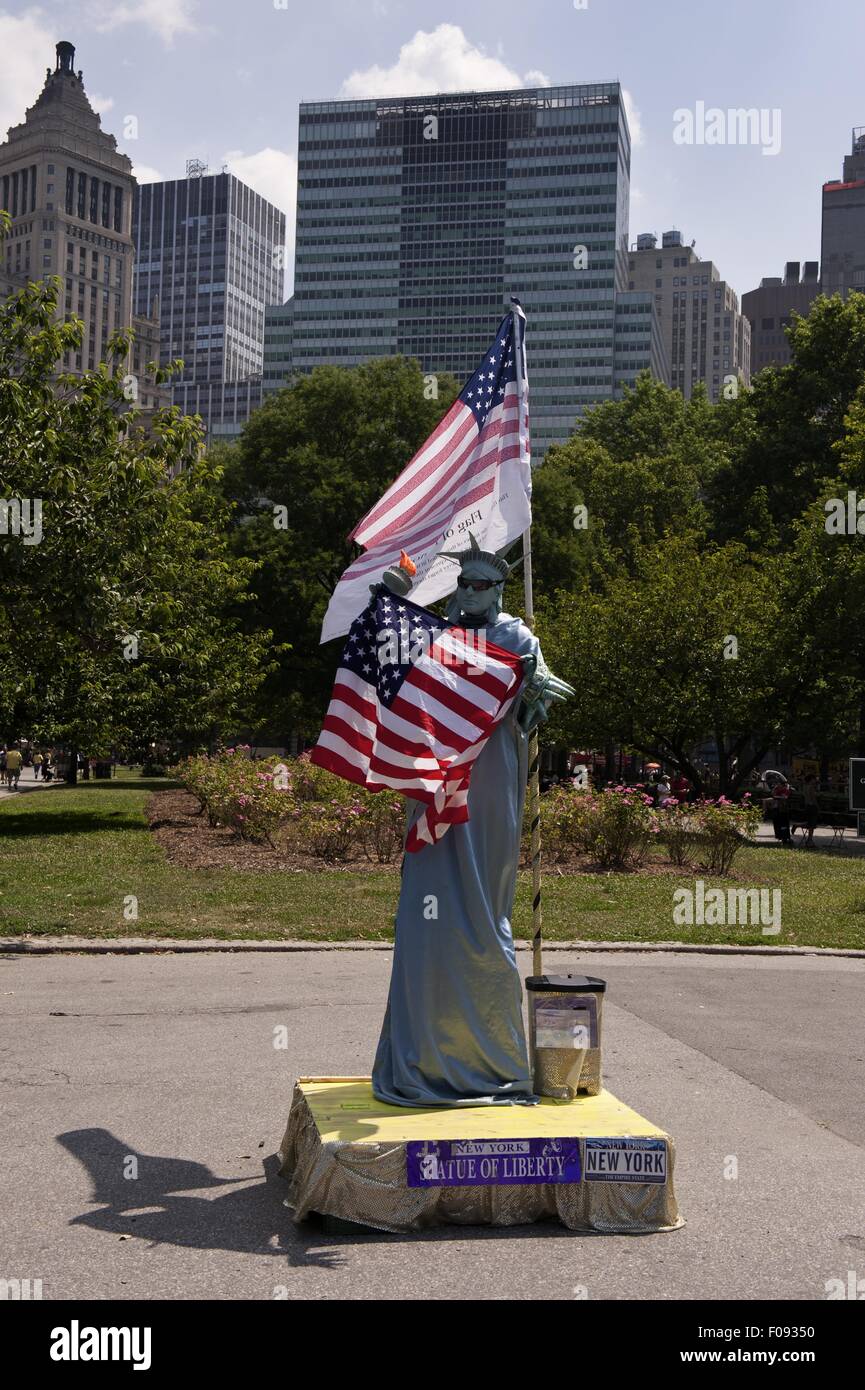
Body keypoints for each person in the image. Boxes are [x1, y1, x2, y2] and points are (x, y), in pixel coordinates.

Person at [371, 533, 574, 1108]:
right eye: (463, 583)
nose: (469, 592)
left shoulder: (516, 636)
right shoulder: (433, 633)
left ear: (500, 588)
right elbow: (387, 663)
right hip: (436, 781)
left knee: (486, 905)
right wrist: (390, 598)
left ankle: (489, 1053)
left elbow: (535, 708)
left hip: (489, 781)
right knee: (426, 902)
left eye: (481, 584)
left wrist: (534, 686)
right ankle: (425, 1050)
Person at [771, 777, 793, 844]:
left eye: (778, 783)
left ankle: (785, 837)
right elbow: (773, 794)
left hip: (783, 809)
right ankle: (780, 836)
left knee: (784, 824)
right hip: (777, 809)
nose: (777, 785)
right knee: (777, 823)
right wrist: (775, 789)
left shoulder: (786, 789)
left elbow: (785, 797)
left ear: (782, 784)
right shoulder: (777, 789)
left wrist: (778, 797)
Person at [802, 772, 820, 848]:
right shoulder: (811, 787)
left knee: (809, 823)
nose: (815, 780)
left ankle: (809, 841)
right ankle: (810, 841)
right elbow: (813, 798)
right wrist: (818, 806)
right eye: (814, 779)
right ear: (811, 779)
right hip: (812, 806)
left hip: (807, 806)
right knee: (812, 825)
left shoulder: (805, 786)